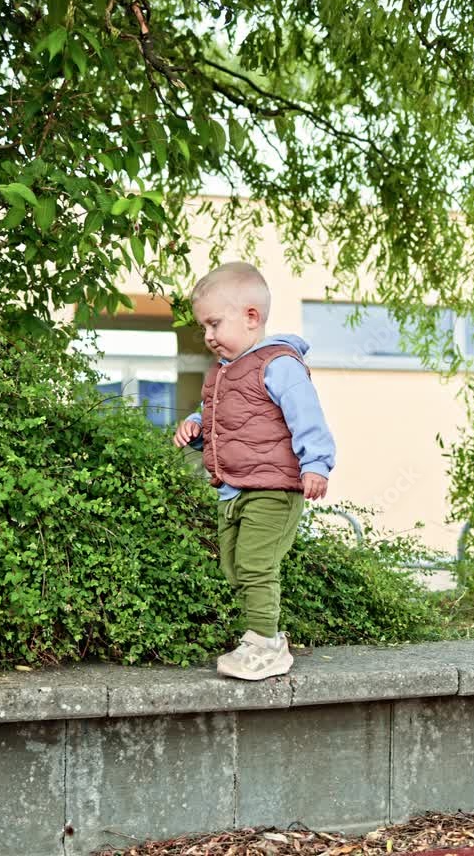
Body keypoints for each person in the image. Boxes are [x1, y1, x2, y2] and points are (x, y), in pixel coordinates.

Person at [173, 261, 336, 681]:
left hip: (273, 487)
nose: (208, 335)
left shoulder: (278, 364)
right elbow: (224, 422)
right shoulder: (223, 373)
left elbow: (307, 415)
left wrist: (316, 464)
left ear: (250, 317)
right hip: (234, 488)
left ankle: (266, 643)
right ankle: (260, 637)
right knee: (233, 567)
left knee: (255, 564)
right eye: (204, 327)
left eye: (214, 323)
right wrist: (196, 427)